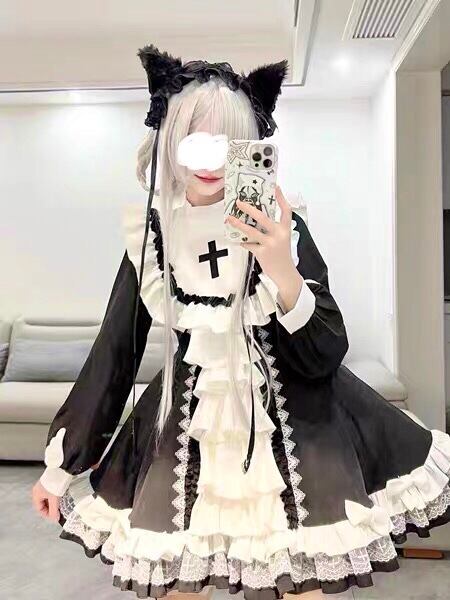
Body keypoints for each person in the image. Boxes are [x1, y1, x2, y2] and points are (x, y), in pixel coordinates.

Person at [32, 44, 450, 600]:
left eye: (228, 142)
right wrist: (61, 467)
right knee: (178, 579)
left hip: (297, 432)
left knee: (303, 581)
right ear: (168, 140)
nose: (209, 159)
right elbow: (113, 356)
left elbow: (326, 352)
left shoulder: (283, 224)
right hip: (185, 431)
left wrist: (282, 269)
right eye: (193, 139)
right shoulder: (152, 236)